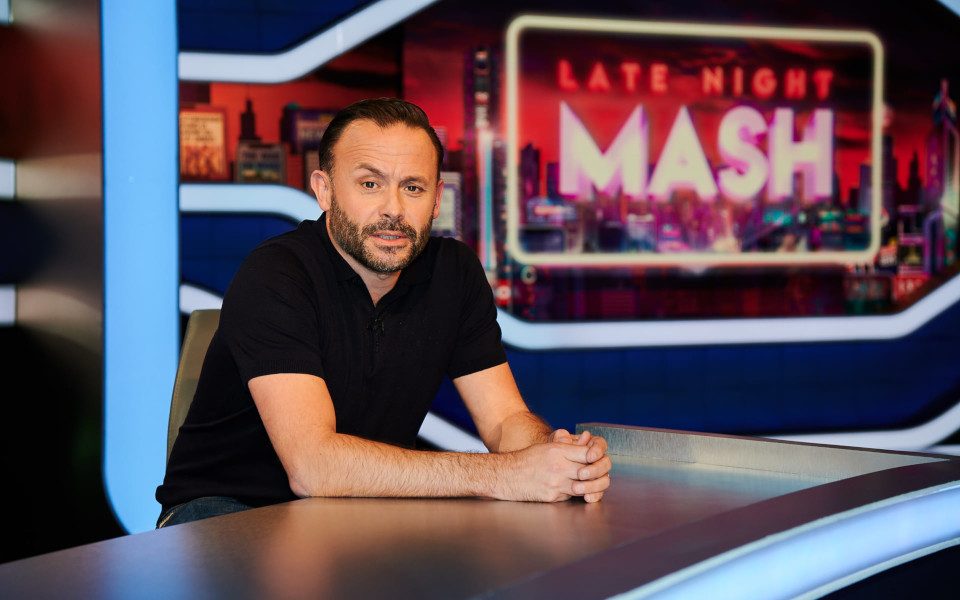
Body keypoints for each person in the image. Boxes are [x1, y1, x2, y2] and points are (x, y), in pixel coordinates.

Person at [156, 98, 611, 527]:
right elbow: (314, 467)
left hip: (362, 509)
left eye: (412, 187)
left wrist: (554, 459)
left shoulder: (453, 273)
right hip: (226, 512)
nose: (393, 210)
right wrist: (504, 475)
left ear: (436, 200)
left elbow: (505, 420)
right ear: (325, 191)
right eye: (370, 184)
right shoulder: (277, 274)